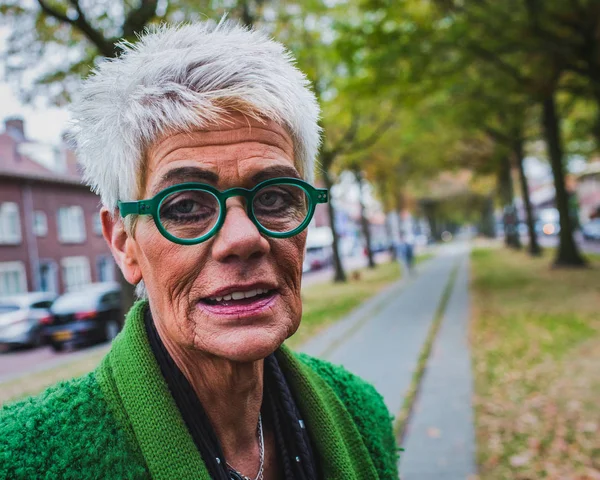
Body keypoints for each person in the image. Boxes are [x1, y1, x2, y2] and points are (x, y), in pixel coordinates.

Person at [0, 22, 398, 479]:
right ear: (124, 244)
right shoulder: (20, 462)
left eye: (273, 198)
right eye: (185, 206)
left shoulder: (361, 413)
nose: (243, 238)